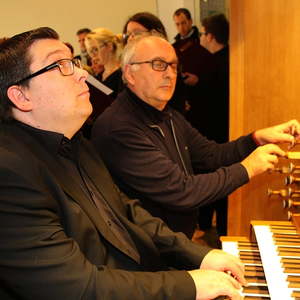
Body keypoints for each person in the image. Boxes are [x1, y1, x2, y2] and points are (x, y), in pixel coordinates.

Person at [0, 26, 247, 300]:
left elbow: (126, 211)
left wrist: (200, 255)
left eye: (75, 62)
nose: (83, 73)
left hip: (141, 278)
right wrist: (190, 284)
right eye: (60, 65)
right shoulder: (9, 173)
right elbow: (78, 288)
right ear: (21, 96)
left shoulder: (76, 141)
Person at [91, 33, 299, 240]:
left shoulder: (167, 114)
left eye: (173, 66)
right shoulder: (118, 128)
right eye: (158, 64)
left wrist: (256, 139)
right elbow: (183, 191)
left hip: (172, 244)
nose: (170, 74)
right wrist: (248, 168)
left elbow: (211, 155)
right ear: (129, 73)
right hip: (143, 255)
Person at [194, 13, 231, 239]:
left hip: (216, 131)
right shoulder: (220, 59)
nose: (201, 38)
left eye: (203, 33)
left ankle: (218, 228)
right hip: (214, 131)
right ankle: (209, 224)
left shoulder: (218, 62)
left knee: (216, 179)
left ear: (211, 35)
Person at [122, 11, 186, 114]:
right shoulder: (125, 68)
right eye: (128, 34)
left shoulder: (170, 65)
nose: (131, 38)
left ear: (156, 33)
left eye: (137, 33)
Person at [85, 28, 124, 99]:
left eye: (95, 49)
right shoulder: (99, 76)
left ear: (109, 46)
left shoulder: (123, 75)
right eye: (90, 51)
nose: (93, 55)